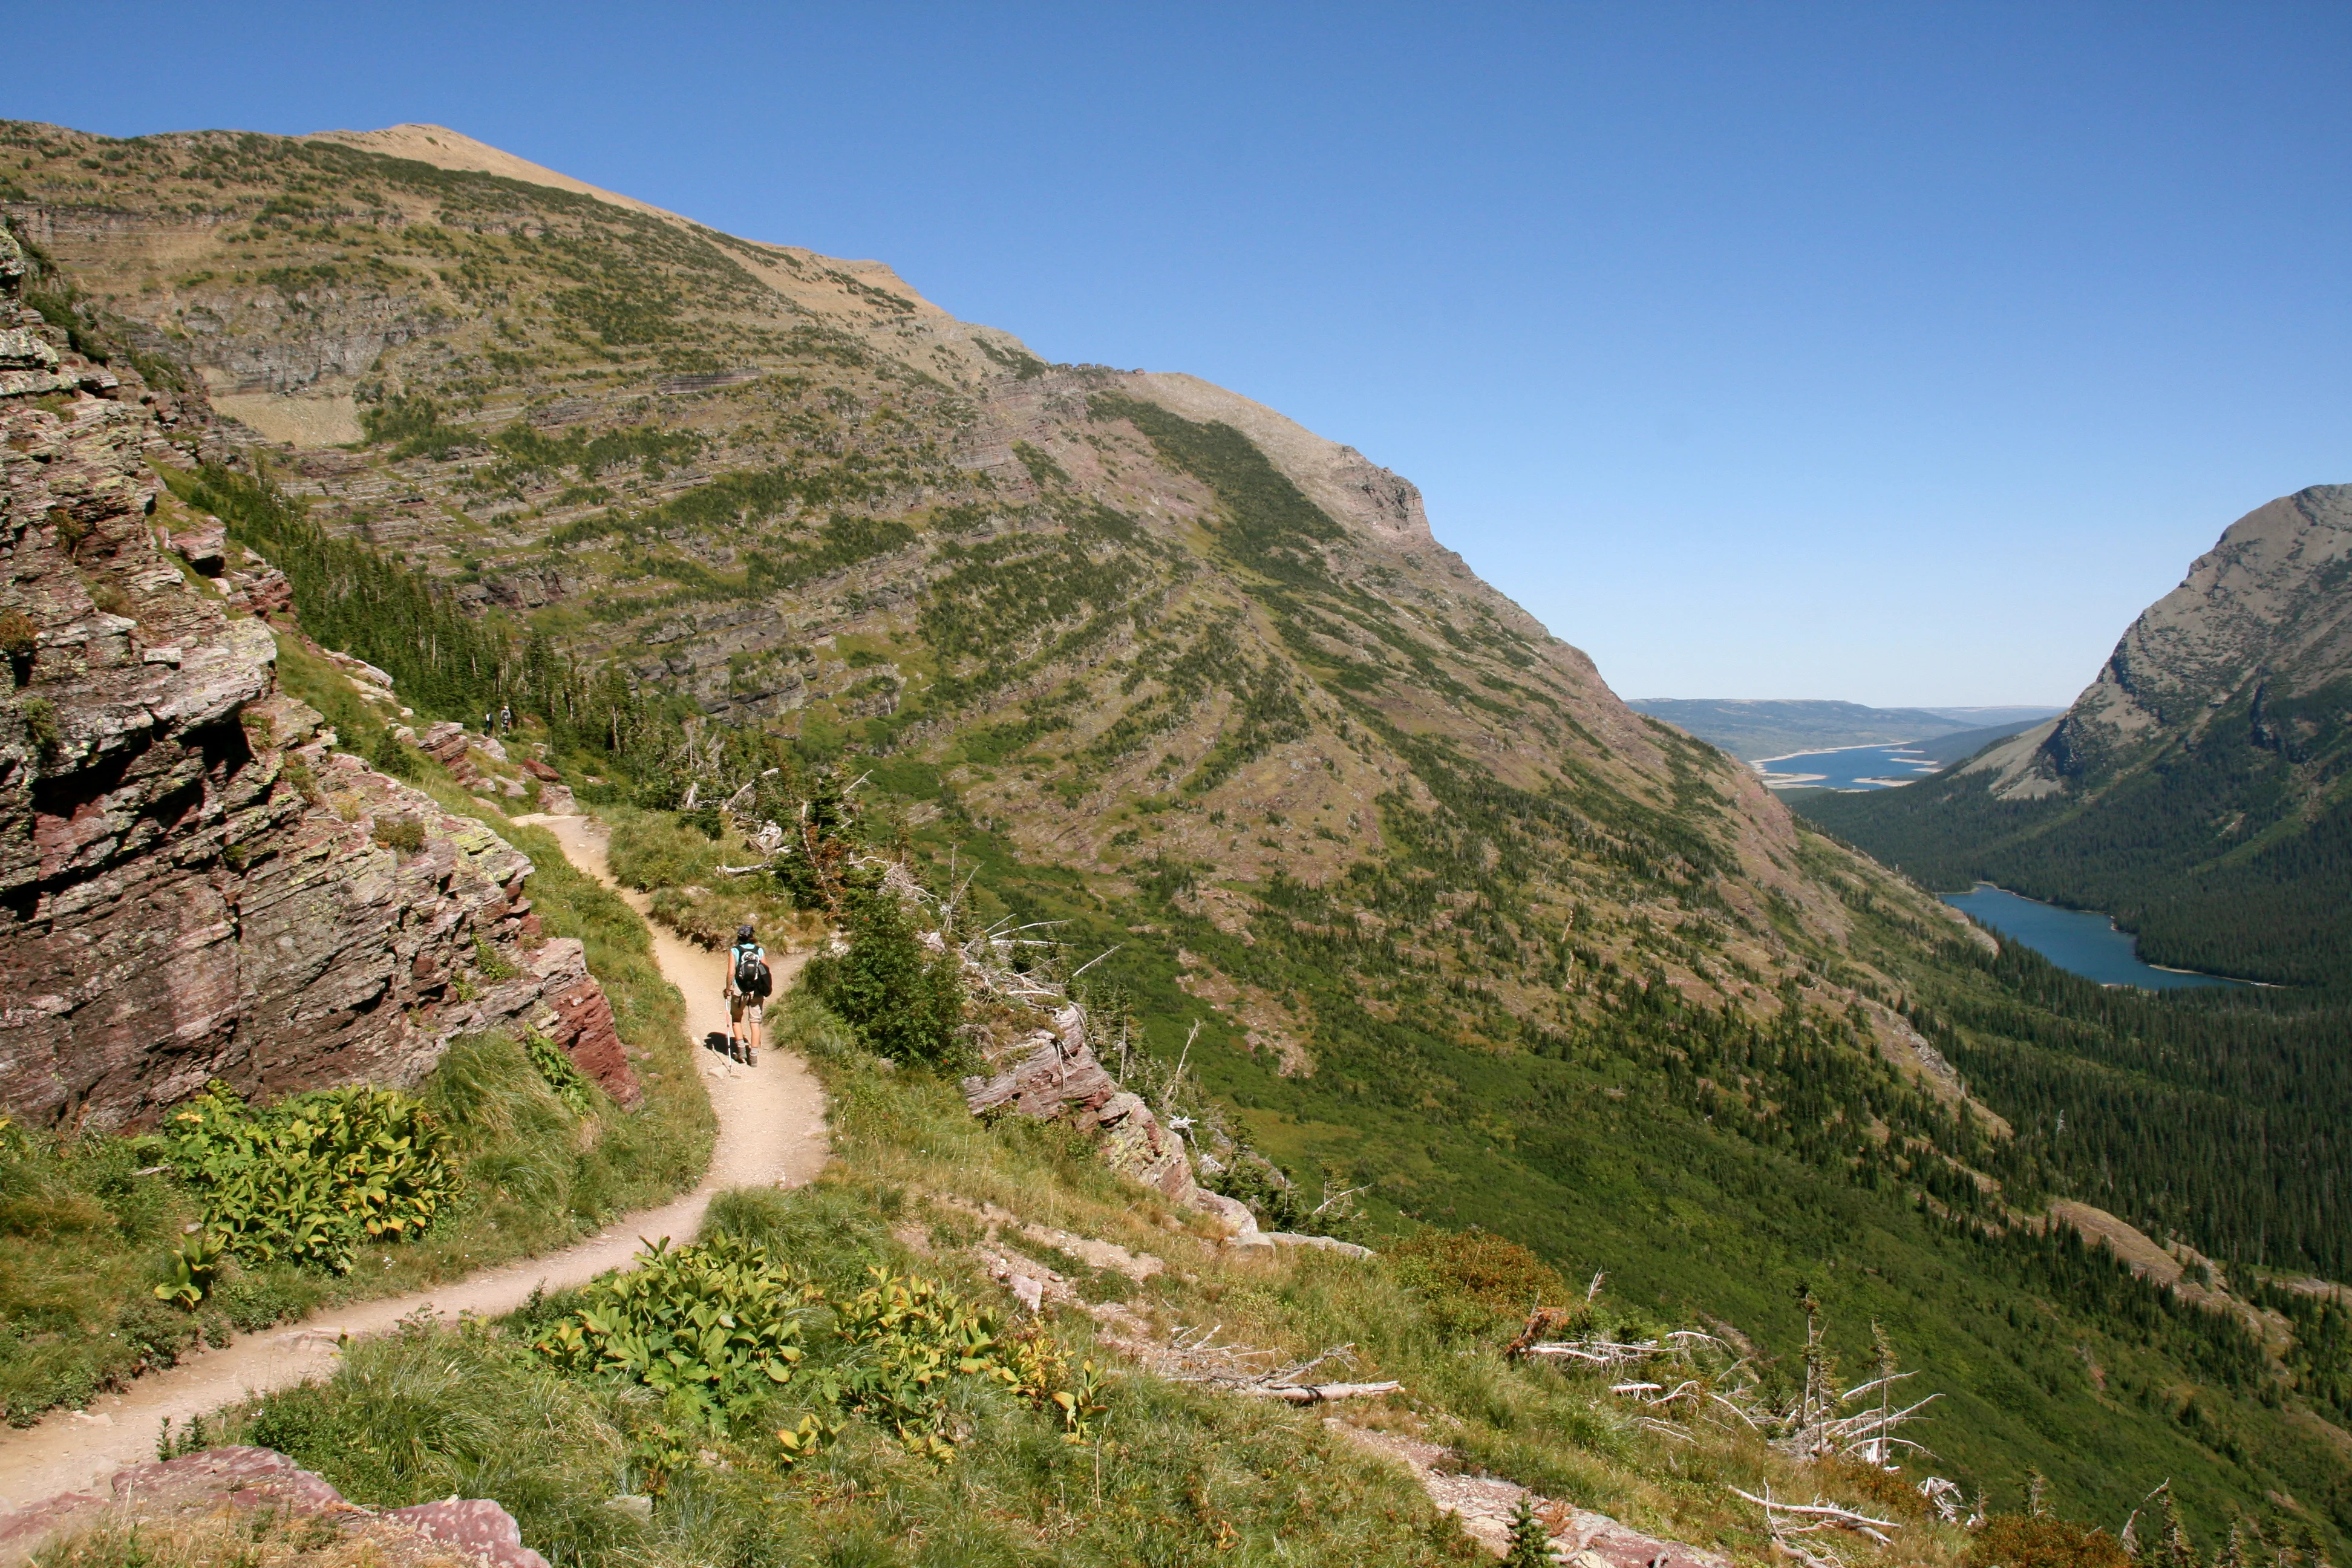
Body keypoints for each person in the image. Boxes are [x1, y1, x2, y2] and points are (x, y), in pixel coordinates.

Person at [725, 922, 771, 1065]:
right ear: (752, 936)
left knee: (737, 1019)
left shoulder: (735, 951)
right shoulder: (759, 951)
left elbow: (731, 972)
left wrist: (728, 989)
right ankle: (754, 1057)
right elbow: (766, 970)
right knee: (755, 1023)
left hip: (740, 990)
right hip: (756, 991)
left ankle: (741, 1052)